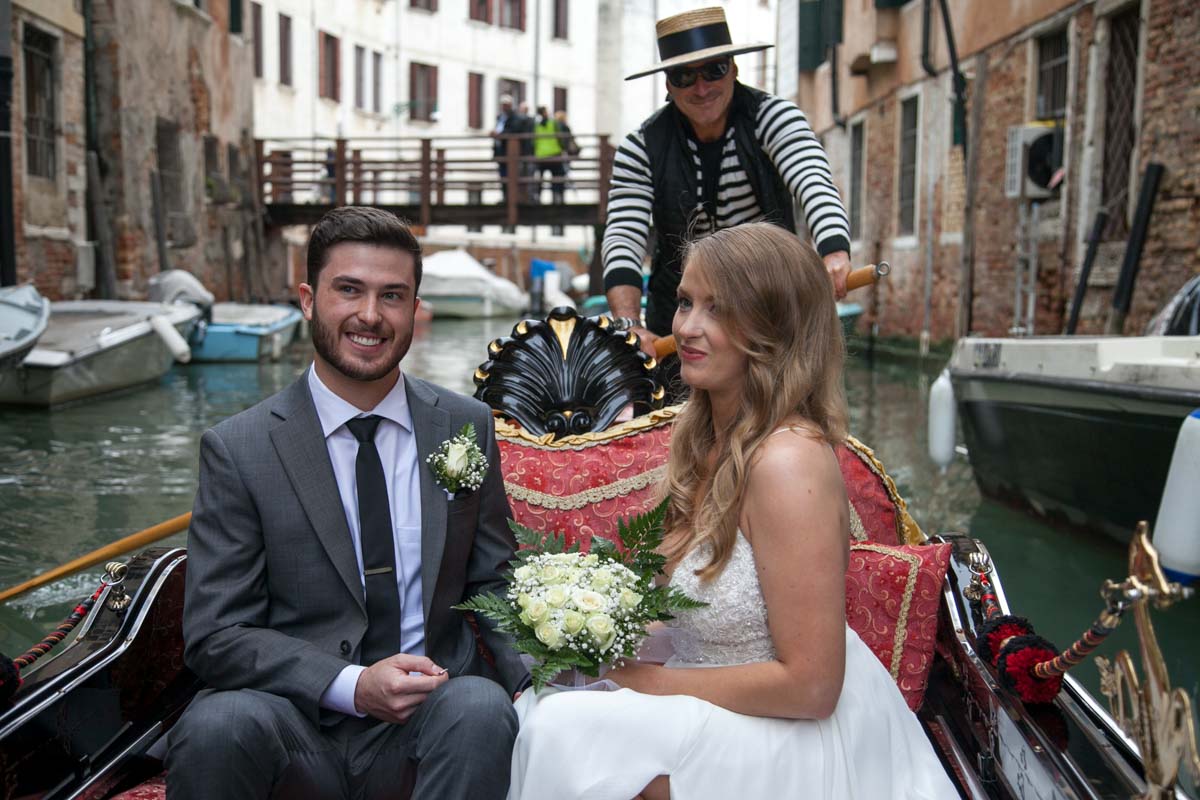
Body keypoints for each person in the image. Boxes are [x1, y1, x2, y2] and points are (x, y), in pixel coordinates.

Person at [508, 223, 958, 800]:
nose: (687, 328)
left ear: (774, 330)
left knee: (561, 731)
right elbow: (700, 620)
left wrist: (640, 683)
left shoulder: (787, 462)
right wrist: (586, 638)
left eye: (719, 310)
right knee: (546, 701)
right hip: (725, 707)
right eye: (686, 302)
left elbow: (812, 687)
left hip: (791, 734)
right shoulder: (704, 440)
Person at [167, 206, 529, 800]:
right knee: (218, 723)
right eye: (349, 290)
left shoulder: (465, 424)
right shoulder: (239, 448)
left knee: (482, 708)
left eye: (392, 296)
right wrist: (351, 684)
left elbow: (495, 580)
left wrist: (541, 683)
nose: (371, 315)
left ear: (416, 308)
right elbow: (218, 633)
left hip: (433, 714)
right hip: (294, 722)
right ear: (309, 301)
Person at [601, 7, 853, 375]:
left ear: (733, 69)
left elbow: (812, 180)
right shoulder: (641, 147)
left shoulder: (774, 118)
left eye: (714, 70)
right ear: (669, 85)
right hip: (682, 329)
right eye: (684, 76)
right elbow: (624, 234)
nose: (702, 88)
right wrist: (629, 325)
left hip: (770, 315)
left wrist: (833, 250)